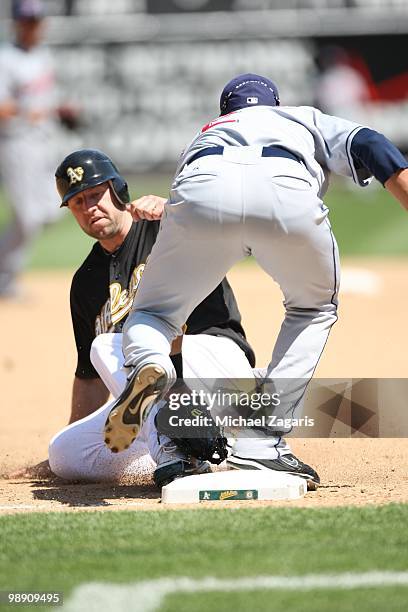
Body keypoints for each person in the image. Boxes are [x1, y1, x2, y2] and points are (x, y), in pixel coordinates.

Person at [103, 72, 408, 481]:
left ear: (225, 113)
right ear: (274, 106)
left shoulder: (206, 133)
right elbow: (370, 143)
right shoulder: (300, 118)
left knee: (154, 314)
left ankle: (150, 361)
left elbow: (187, 191)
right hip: (285, 190)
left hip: (202, 187)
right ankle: (261, 443)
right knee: (312, 308)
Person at [48, 149, 320, 489]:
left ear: (118, 190)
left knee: (109, 345)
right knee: (64, 453)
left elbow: (225, 224)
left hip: (217, 369)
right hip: (158, 391)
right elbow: (89, 378)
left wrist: (178, 212)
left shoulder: (169, 230)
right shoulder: (86, 281)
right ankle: (209, 451)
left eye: (95, 195)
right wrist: (73, 427)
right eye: (77, 203)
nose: (89, 208)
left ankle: (179, 449)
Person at [0, 0, 75, 298]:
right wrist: (25, 113)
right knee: (28, 217)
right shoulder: (6, 58)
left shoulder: (43, 56)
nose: (32, 26)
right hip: (16, 143)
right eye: (27, 21)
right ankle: (5, 278)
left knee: (52, 209)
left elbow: (46, 100)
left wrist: (60, 109)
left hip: (46, 141)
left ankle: (4, 274)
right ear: (16, 23)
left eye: (36, 21)